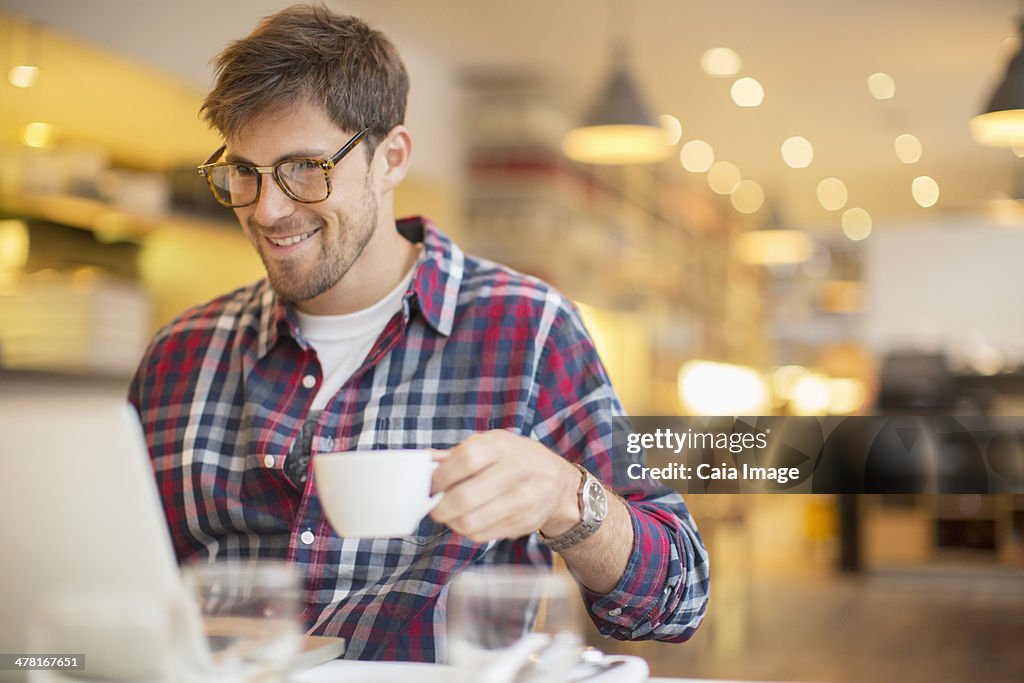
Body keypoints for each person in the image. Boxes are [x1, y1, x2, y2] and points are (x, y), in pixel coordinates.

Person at [129, 4, 709, 662]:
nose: (269, 208)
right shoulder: (181, 354)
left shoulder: (525, 328)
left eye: (305, 168)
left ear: (392, 157)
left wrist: (564, 496)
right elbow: (105, 577)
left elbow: (677, 594)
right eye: (245, 172)